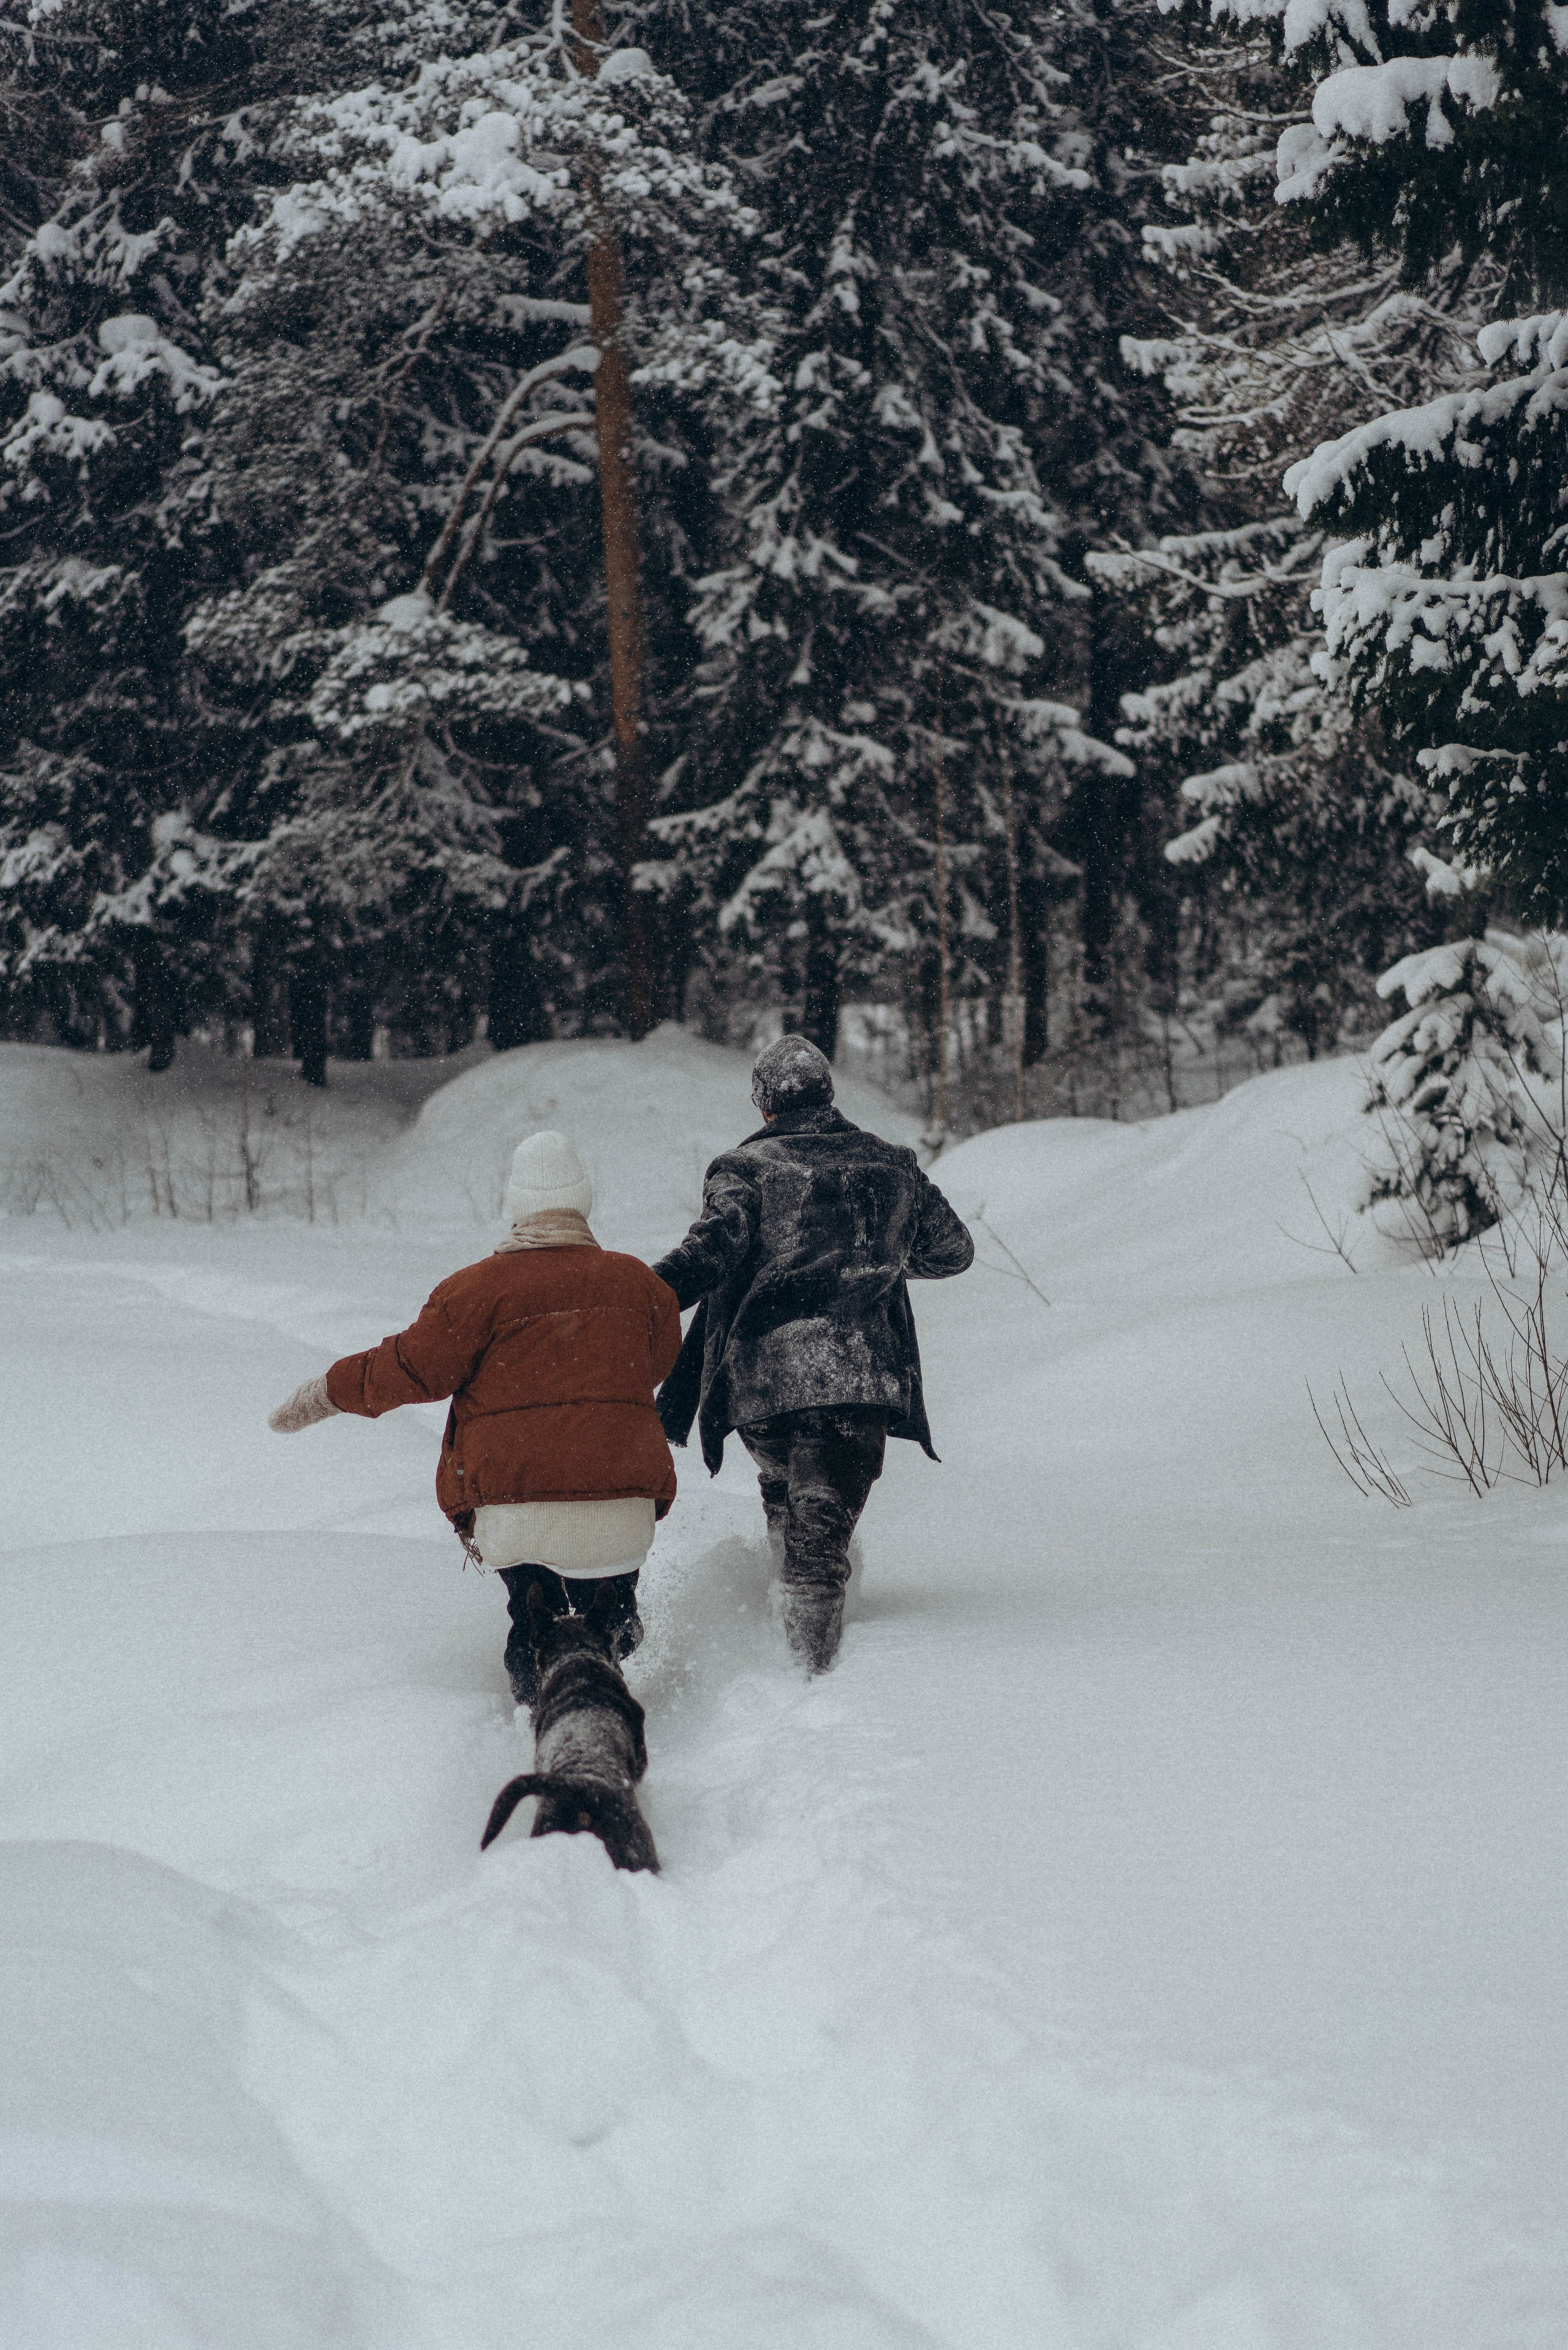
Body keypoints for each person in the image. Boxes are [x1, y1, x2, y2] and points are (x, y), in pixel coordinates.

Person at [266, 1130, 681, 1707]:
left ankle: (538, 1706)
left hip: (516, 1516)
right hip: (623, 1510)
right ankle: (609, 1665)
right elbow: (658, 1363)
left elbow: (407, 1368)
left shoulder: (473, 1292)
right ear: (582, 1201)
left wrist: (323, 1394)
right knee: (611, 1607)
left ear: (517, 1206)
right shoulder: (643, 1286)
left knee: (533, 1616)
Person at [652, 1035, 973, 1673]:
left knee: (788, 1495)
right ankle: (806, 1682)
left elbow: (708, 1255)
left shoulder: (743, 1169)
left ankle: (781, 1651)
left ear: (764, 1105)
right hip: (858, 1377)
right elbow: (952, 1251)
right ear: (828, 1094)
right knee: (821, 1530)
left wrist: (632, 1296)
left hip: (761, 1386)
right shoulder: (892, 1165)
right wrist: (874, 1260)